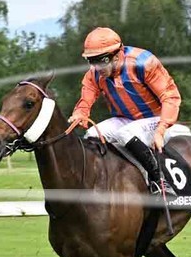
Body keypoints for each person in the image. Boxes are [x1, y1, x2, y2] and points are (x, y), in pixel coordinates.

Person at [67, 27, 182, 195]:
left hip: (156, 118)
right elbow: (86, 100)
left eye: (101, 60)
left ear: (117, 54)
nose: (97, 67)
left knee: (125, 133)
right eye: (92, 61)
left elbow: (170, 96)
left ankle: (160, 181)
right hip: (127, 119)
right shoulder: (94, 74)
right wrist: (80, 114)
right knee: (92, 135)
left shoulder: (144, 63)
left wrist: (161, 129)